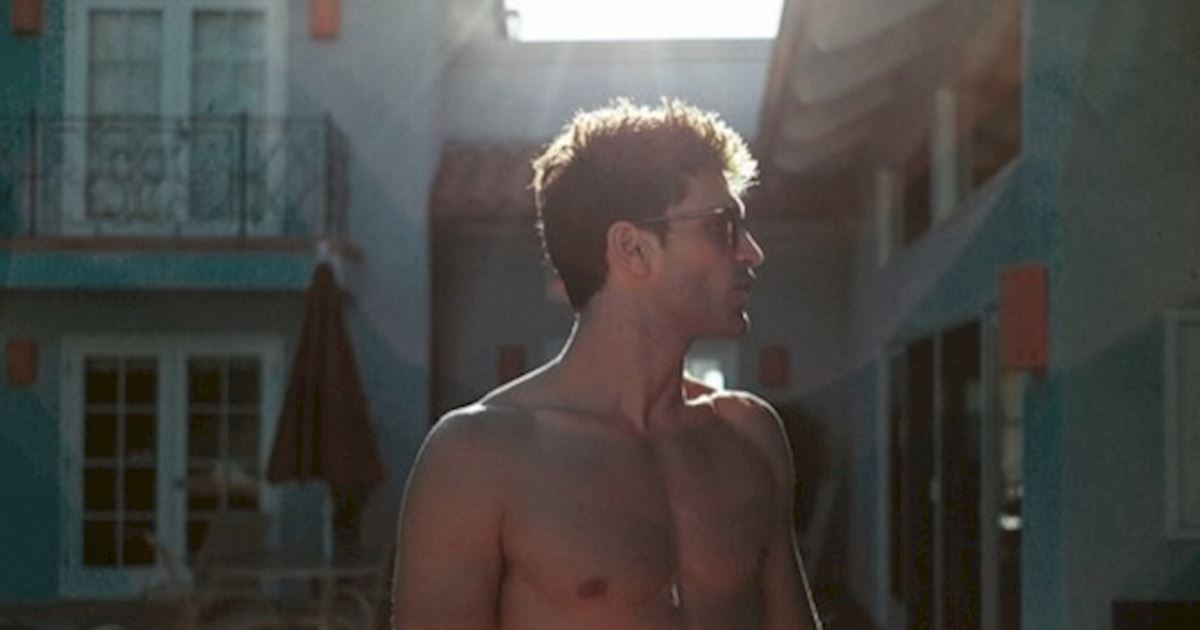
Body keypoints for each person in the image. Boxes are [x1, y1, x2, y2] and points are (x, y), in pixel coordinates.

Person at [392, 99, 822, 630]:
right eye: (723, 227)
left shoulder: (748, 435)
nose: (752, 251)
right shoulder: (478, 457)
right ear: (632, 249)